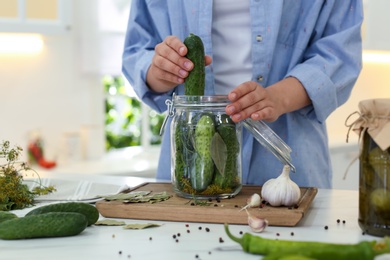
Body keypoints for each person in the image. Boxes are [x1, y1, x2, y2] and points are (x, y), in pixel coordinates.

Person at [122, 1, 363, 189]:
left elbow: (340, 51)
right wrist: (161, 70)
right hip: (188, 150)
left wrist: (279, 97)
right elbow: (137, 50)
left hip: (288, 149)